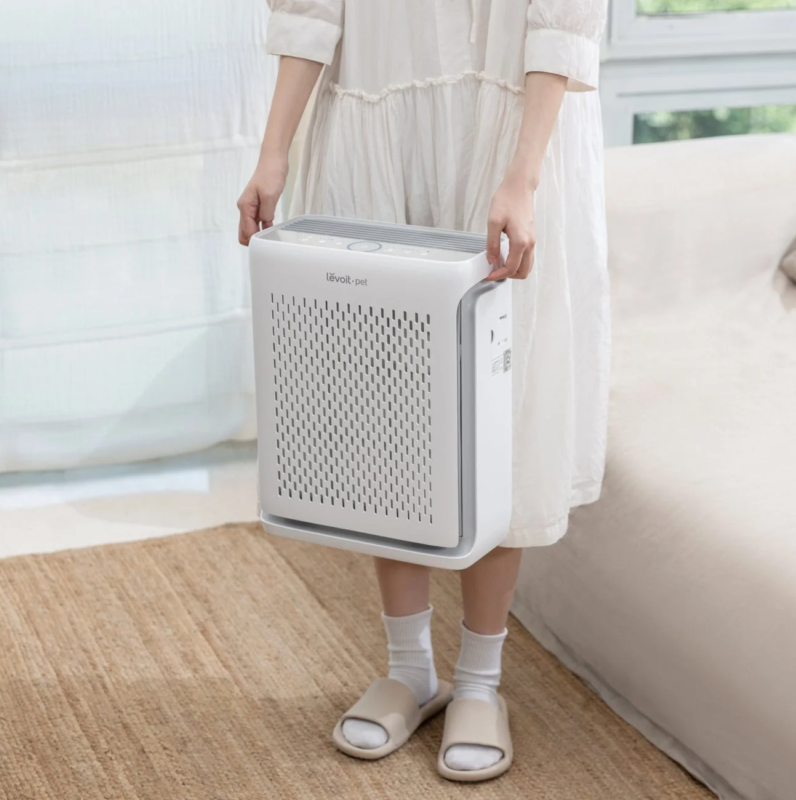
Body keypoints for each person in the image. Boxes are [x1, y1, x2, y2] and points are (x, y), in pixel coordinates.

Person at [237, 0, 609, 782]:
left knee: (497, 407)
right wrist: (273, 151)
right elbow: (311, 11)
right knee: (383, 405)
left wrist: (523, 173)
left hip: (510, 133)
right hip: (371, 121)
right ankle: (409, 670)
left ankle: (480, 681)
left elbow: (562, 21)